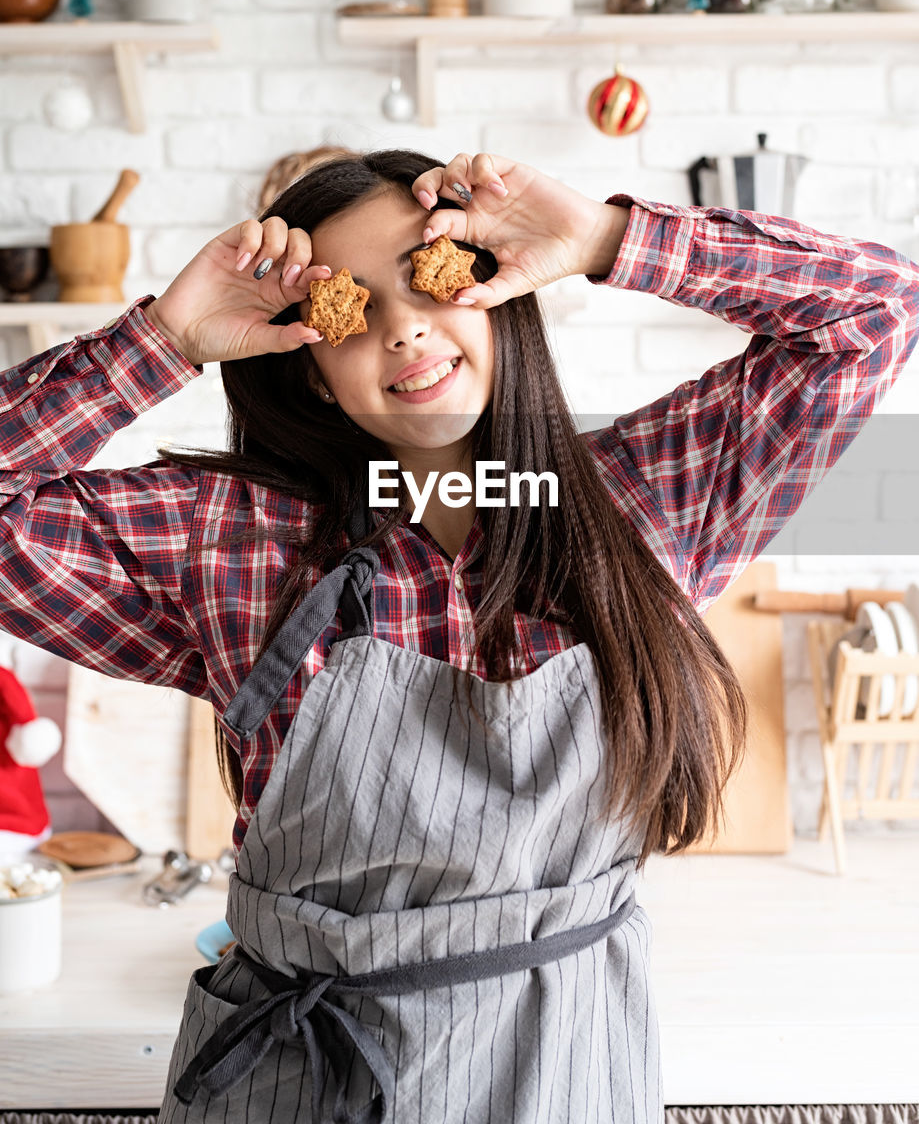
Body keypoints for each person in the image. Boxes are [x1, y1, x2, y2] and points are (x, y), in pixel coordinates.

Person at [0, 149, 916, 1122]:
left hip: (563, 1066)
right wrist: (166, 338)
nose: (404, 330)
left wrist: (607, 240)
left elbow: (874, 313)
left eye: (430, 277)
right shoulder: (226, 537)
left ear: (494, 287)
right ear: (308, 366)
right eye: (351, 308)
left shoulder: (641, 506)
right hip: (301, 1082)